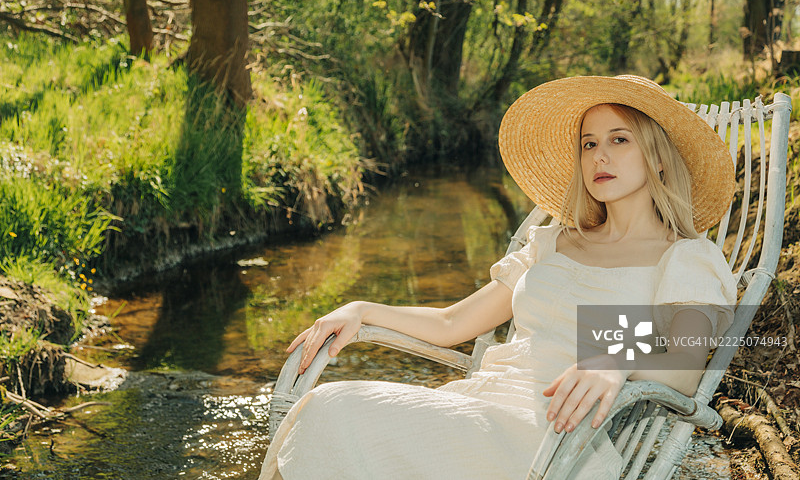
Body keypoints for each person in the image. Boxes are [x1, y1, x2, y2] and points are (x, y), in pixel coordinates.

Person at [259, 75, 738, 480]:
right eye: (588, 143)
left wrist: (613, 357)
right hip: (476, 406)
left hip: (556, 438)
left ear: (657, 156)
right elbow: (452, 324)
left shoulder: (685, 257)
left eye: (619, 139)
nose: (599, 157)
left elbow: (686, 366)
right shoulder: (554, 242)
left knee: (333, 410)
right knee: (327, 408)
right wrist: (361, 309)